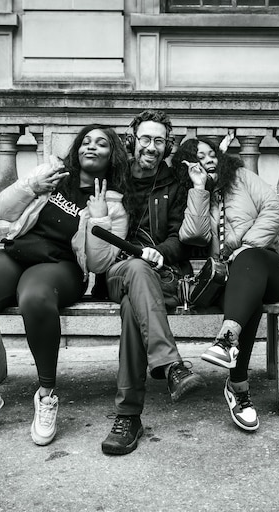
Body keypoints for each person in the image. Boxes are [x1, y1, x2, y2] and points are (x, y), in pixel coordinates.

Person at [0, 125, 129, 444]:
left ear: (111, 155)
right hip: (19, 252)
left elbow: (101, 263)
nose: (91, 147)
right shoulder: (52, 175)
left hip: (62, 267)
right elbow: (4, 210)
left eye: (101, 144)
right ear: (76, 149)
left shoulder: (115, 203)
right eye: (86, 141)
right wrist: (33, 185)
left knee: (34, 298)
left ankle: (46, 395)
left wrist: (100, 219)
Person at [98, 110, 206, 456]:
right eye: (145, 138)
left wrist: (159, 251)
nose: (151, 146)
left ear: (167, 145)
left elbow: (182, 239)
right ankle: (170, 364)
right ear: (132, 140)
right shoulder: (114, 177)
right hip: (116, 272)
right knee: (134, 271)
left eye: (159, 140)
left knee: (134, 304)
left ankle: (128, 416)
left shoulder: (175, 184)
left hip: (159, 277)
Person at [175, 136, 279, 432]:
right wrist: (200, 190)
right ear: (190, 166)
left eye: (211, 153)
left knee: (249, 261)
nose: (209, 159)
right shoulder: (196, 194)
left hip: (269, 269)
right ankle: (236, 380)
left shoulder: (242, 177)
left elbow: (273, 209)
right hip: (234, 283)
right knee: (246, 296)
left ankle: (230, 356)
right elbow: (193, 235)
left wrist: (246, 246)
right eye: (200, 157)